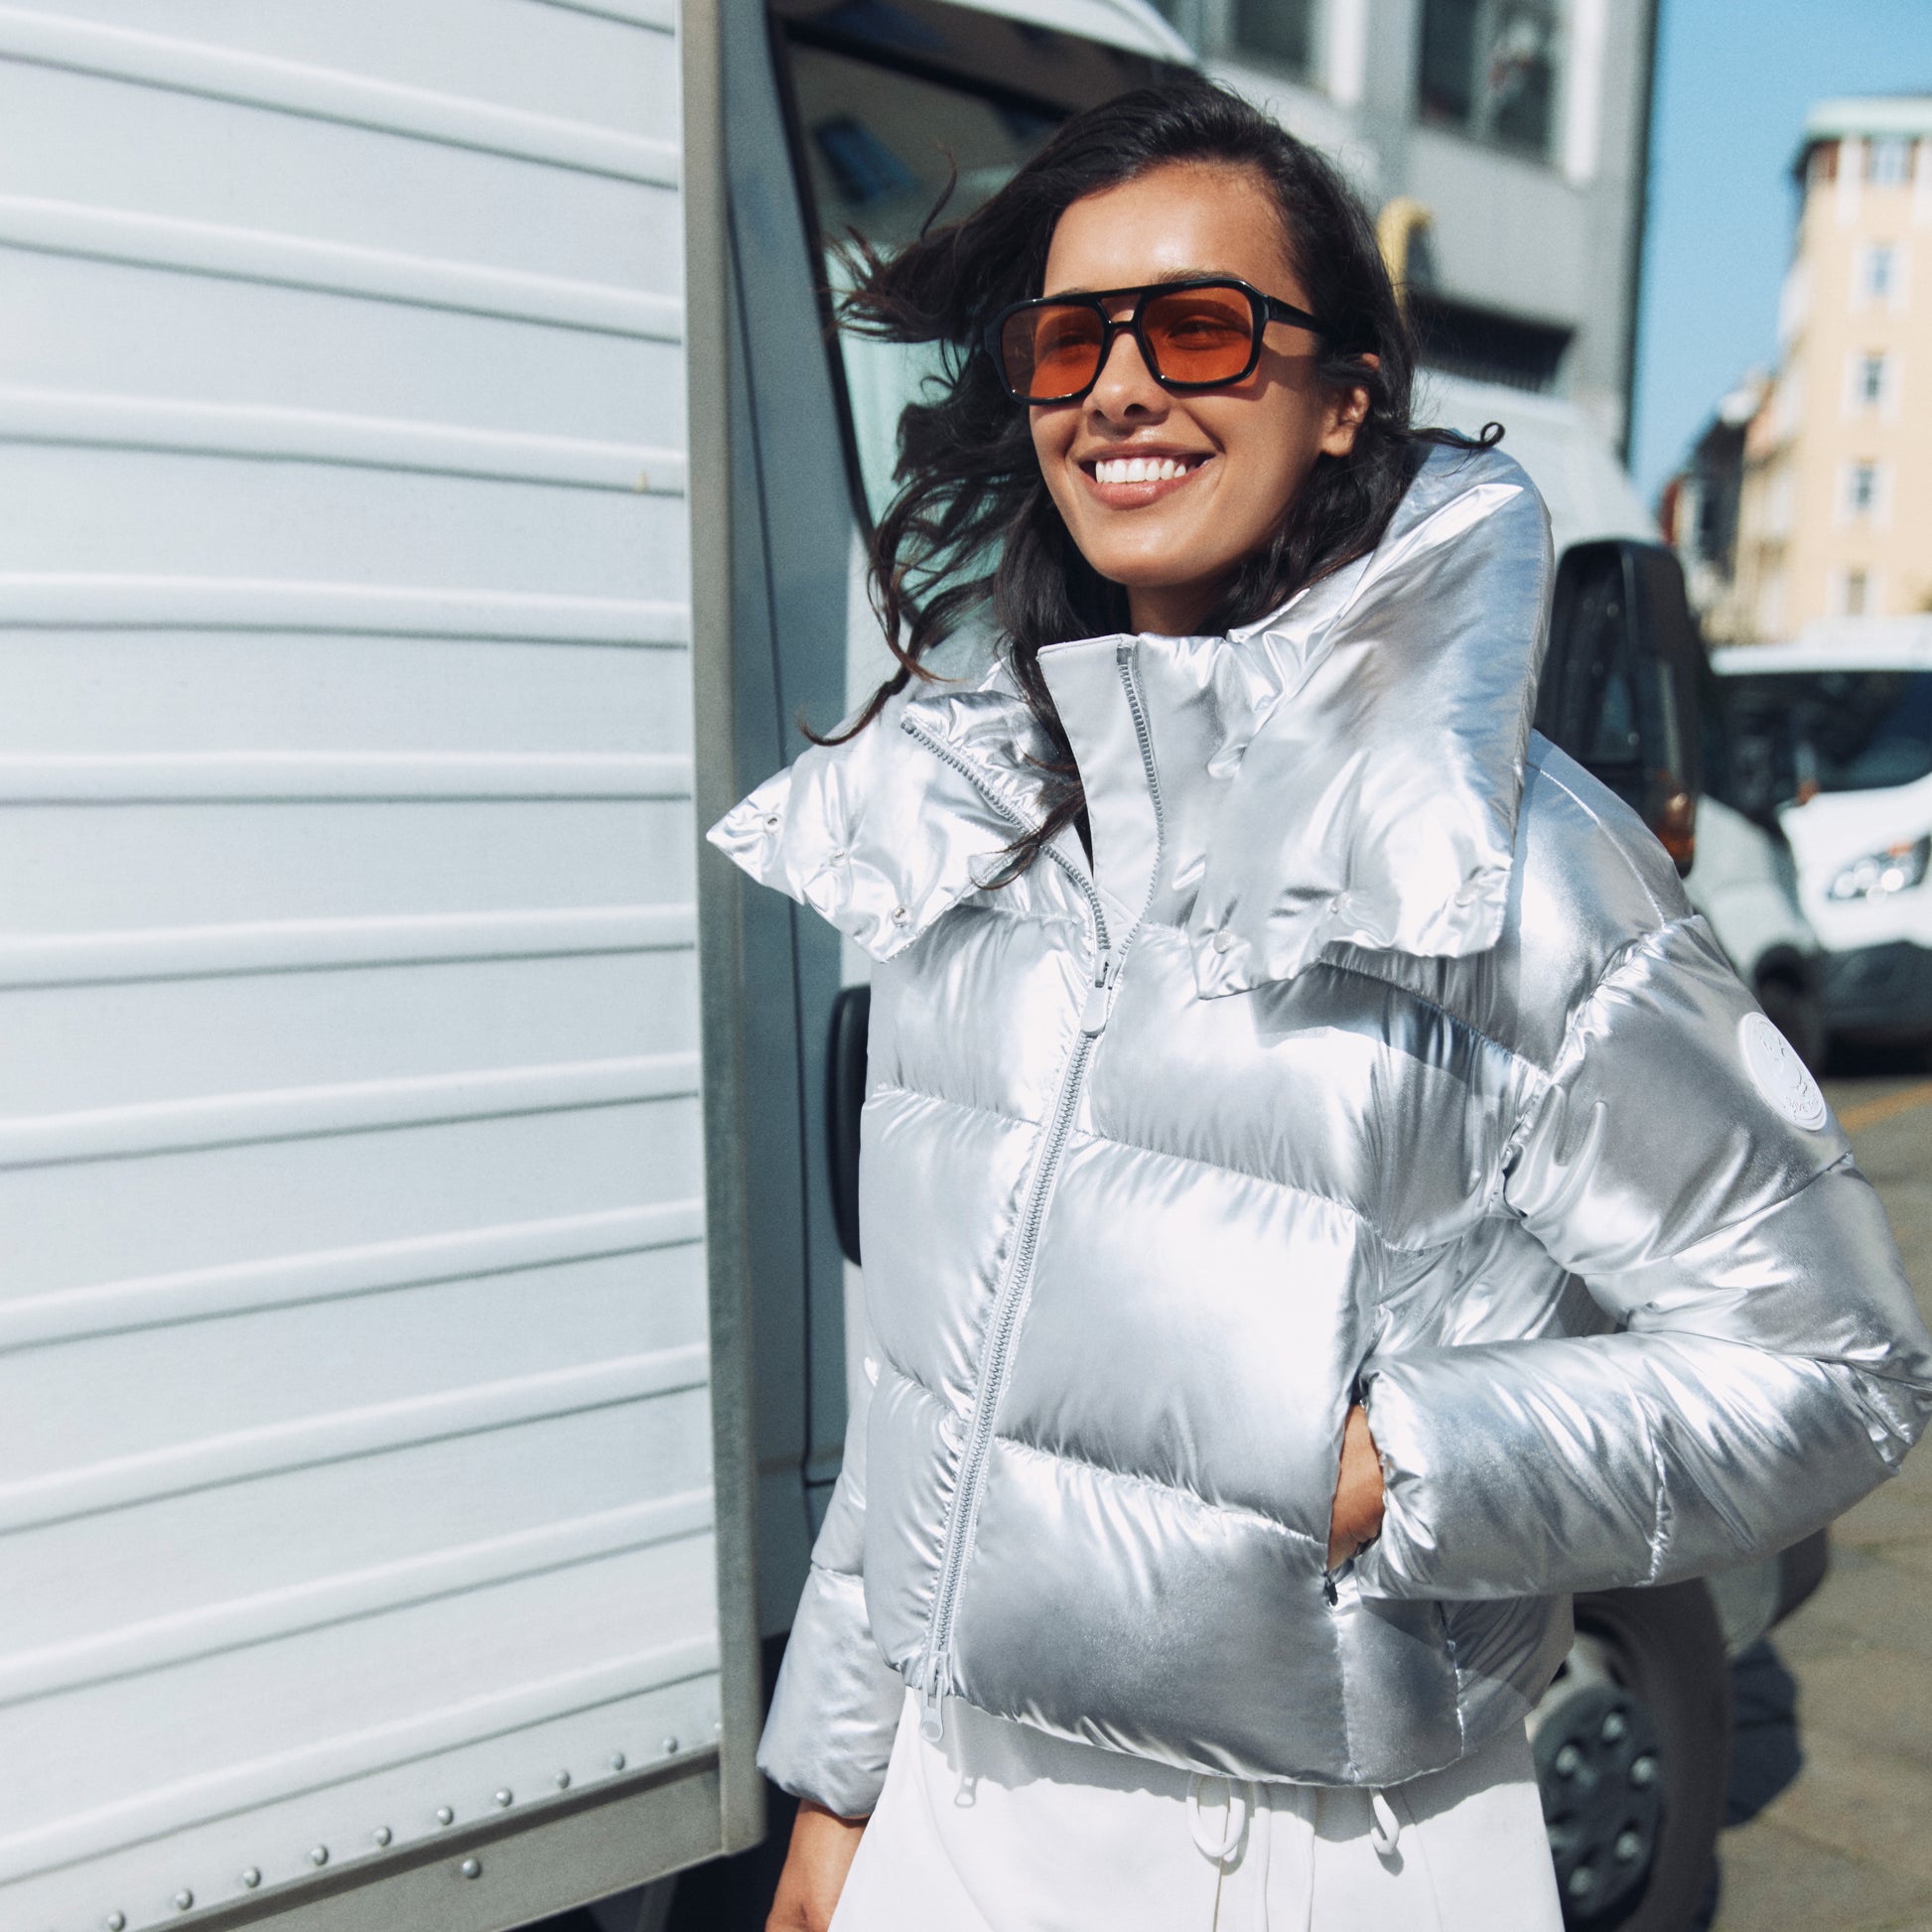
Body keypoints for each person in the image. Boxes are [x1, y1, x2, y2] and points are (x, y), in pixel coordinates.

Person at [710, 78, 1932, 1931]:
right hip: (966, 1808)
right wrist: (841, 1784)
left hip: (1304, 1849)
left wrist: (1390, 1460)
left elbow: (1831, 1369)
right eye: (1067, 340)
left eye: (1198, 326)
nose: (1121, 386)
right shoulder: (975, 818)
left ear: (1343, 390)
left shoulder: (1507, 855)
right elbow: (920, 1395)